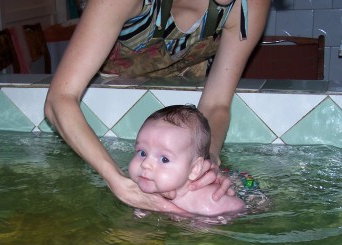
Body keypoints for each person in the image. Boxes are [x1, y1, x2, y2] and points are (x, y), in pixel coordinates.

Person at [44, 0, 271, 215]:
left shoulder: (249, 4)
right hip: (113, 105)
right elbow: (59, 100)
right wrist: (116, 179)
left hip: (187, 119)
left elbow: (216, 104)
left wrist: (207, 159)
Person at [129, 105, 245, 216]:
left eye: (164, 159)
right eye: (142, 153)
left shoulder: (208, 202)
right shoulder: (149, 183)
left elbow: (239, 207)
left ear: (194, 169)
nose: (145, 164)